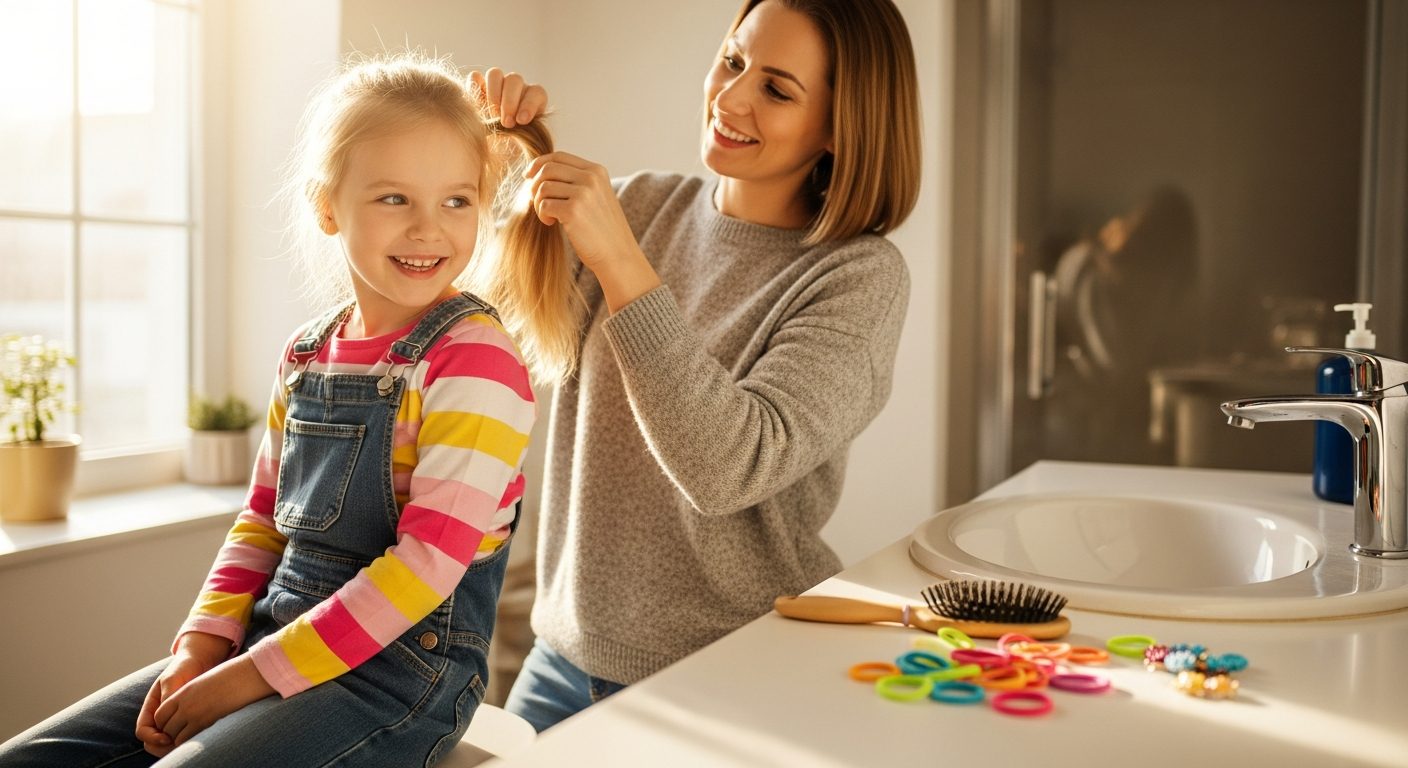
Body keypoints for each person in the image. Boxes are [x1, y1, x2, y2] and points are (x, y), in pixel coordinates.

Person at [0, 52, 576, 766]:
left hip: (399, 683)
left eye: (456, 200)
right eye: (395, 199)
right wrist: (199, 648)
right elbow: (261, 523)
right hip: (270, 643)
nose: (430, 229)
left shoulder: (475, 359)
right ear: (328, 206)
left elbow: (426, 566)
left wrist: (239, 680)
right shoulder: (307, 353)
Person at [480, 0, 922, 732]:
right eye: (733, 59)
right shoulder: (641, 203)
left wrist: (621, 261)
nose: (732, 96)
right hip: (558, 662)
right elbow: (471, 316)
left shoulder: (857, 277)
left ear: (841, 130)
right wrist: (490, 157)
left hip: (731, 682)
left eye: (778, 90)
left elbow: (726, 468)